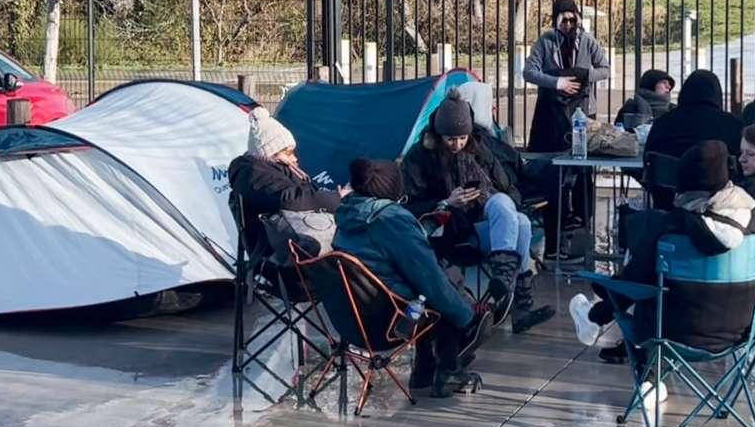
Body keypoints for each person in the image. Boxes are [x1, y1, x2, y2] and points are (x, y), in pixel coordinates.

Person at [570, 140, 755, 367]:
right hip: (740, 333)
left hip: (670, 333)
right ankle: (599, 320)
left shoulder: (668, 226)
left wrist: (604, 303)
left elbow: (634, 280)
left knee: (642, 283)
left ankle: (603, 328)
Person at [333, 159, 492, 398]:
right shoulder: (391, 219)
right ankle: (448, 370)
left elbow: (384, 251)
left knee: (425, 286)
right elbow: (430, 279)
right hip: (396, 322)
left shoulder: (347, 216)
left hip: (351, 319)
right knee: (442, 283)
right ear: (392, 189)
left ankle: (424, 370)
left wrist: (422, 227)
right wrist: (467, 316)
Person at [401, 94, 555, 333]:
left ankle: (507, 283)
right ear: (439, 135)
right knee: (519, 221)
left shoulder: (479, 148)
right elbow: (410, 205)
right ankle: (517, 301)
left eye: (462, 138)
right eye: (451, 139)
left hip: (487, 226)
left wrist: (486, 196)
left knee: (515, 215)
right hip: (452, 233)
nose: (457, 144)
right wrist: (446, 202)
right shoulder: (420, 157)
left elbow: (509, 187)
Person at [228, 107, 342, 261]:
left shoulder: (271, 169)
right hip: (279, 250)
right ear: (271, 152)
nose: (294, 158)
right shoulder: (252, 174)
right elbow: (289, 198)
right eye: (288, 153)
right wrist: (336, 198)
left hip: (292, 238)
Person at [522, 0, 611, 153]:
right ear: (556, 21)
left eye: (572, 20)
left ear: (578, 19)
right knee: (549, 157)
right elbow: (529, 72)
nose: (568, 25)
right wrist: (557, 82)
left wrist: (584, 75)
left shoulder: (587, 41)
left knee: (582, 156)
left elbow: (605, 70)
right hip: (551, 109)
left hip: (582, 106)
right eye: (563, 20)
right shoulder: (545, 41)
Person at [643, 70, 745, 161]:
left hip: (665, 180)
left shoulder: (664, 122)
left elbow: (648, 155)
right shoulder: (732, 125)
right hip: (718, 180)